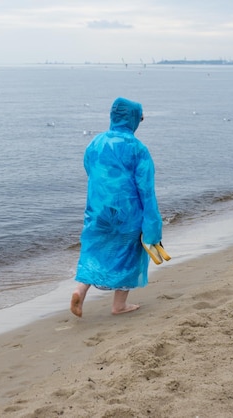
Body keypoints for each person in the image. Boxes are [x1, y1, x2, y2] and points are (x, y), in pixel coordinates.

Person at [70, 97, 163, 317]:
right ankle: (119, 305)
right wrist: (153, 225)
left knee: (94, 251)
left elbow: (90, 170)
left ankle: (79, 291)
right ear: (132, 119)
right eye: (140, 117)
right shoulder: (138, 149)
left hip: (98, 209)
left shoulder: (95, 143)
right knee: (128, 254)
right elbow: (146, 190)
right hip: (128, 213)